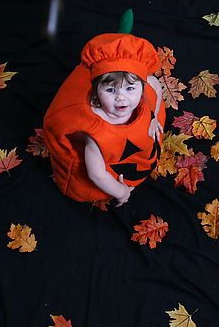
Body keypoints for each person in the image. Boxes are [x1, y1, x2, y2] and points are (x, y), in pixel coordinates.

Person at [42, 13, 165, 207]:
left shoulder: (144, 88)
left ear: (141, 86)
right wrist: (122, 192)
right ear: (95, 93)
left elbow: (156, 86)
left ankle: (120, 37)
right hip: (112, 160)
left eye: (130, 88)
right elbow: (97, 174)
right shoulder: (95, 132)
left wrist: (154, 117)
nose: (121, 97)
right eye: (110, 89)